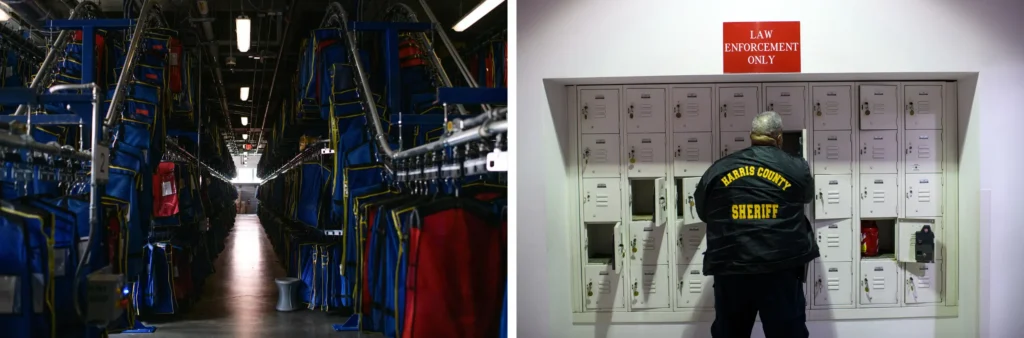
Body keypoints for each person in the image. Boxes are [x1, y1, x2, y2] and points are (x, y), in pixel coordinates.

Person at [694, 111, 818, 338]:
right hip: (781, 270)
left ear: (751, 136)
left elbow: (703, 212)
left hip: (732, 269)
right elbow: (807, 197)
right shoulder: (797, 167)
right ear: (779, 138)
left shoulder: (719, 168)